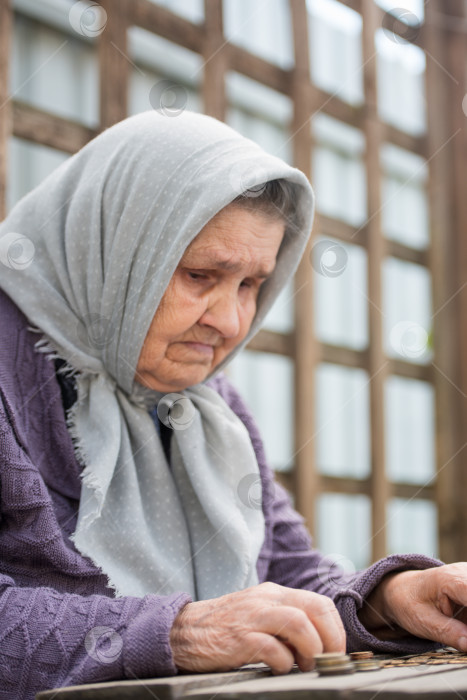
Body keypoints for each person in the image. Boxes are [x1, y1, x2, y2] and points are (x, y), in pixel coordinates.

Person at [0, 111, 467, 699]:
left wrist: (389, 600)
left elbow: (287, 577)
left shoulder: (206, 405)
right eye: (200, 274)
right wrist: (177, 633)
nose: (230, 322)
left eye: (250, 285)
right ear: (114, 248)